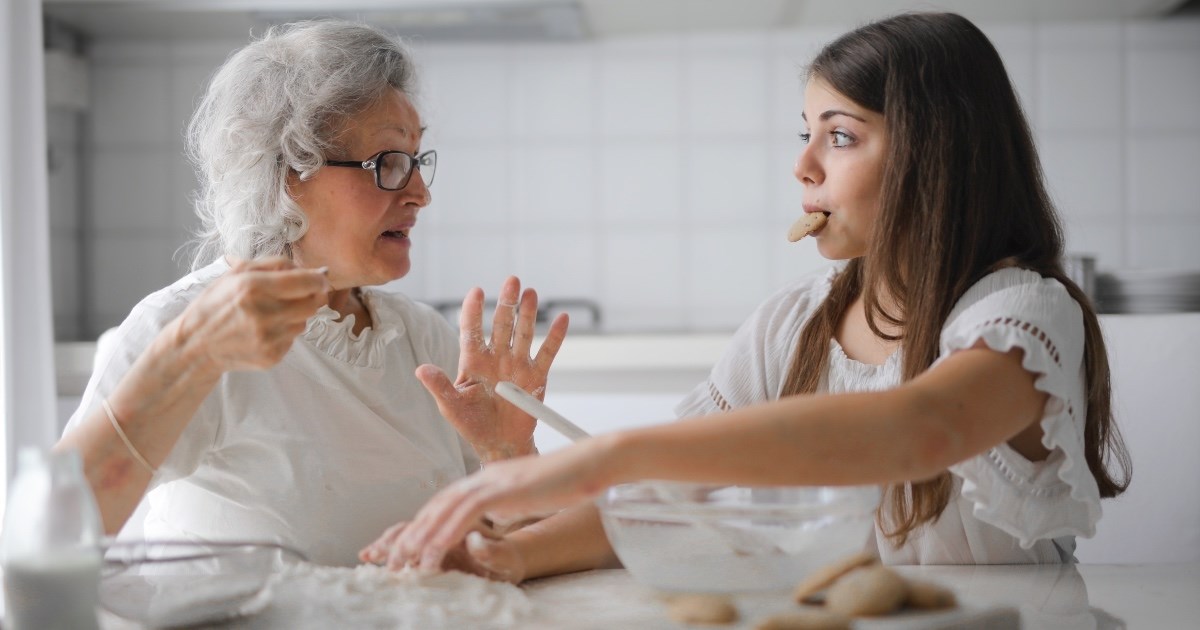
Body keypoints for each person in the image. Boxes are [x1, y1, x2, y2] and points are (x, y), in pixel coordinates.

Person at [362, 11, 1132, 577]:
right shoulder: (791, 325)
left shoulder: (1023, 315)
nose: (802, 166)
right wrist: (512, 554)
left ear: (937, 155)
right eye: (804, 133)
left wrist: (612, 451)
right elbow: (670, 496)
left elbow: (921, 429)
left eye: (839, 135)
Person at [56, 20, 568, 567]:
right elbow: (55, 531)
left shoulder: (421, 338)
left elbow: (505, 552)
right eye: (388, 164)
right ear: (284, 175)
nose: (420, 193)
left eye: (417, 161)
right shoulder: (182, 325)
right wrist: (187, 357)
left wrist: (508, 456)